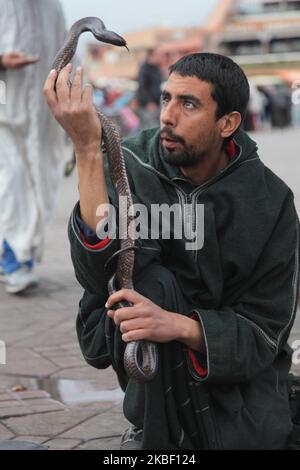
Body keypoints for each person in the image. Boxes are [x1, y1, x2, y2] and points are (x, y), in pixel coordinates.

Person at [44, 53, 299, 450]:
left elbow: (268, 329)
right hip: (147, 344)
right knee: (148, 278)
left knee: (256, 436)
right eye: (166, 99)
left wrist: (180, 325)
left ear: (228, 123)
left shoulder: (271, 202)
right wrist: (88, 151)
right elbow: (97, 276)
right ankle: (156, 430)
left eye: (189, 104)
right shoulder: (129, 163)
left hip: (228, 362)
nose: (167, 116)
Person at [0, 0, 69, 294]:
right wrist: (2, 61)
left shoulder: (52, 7)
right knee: (11, 183)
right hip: (4, 109)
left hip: (41, 118)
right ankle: (14, 257)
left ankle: (17, 254)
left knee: (38, 186)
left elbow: (67, 54)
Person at [136, 48, 164, 129]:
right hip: (148, 106)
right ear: (150, 56)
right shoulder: (144, 69)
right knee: (150, 129)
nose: (160, 58)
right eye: (158, 55)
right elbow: (142, 87)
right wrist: (149, 102)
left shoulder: (157, 69)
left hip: (157, 104)